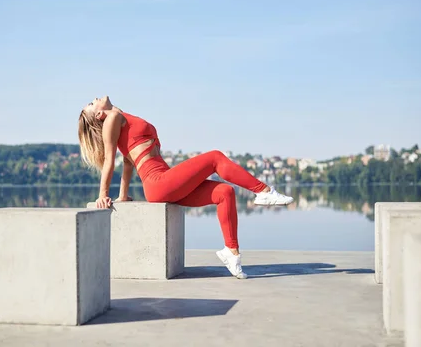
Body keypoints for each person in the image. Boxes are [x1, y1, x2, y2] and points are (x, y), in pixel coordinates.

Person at [78, 96, 294, 279]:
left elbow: (128, 162)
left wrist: (123, 196)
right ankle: (264, 192)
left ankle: (232, 252)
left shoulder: (123, 118)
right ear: (99, 115)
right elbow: (109, 160)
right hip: (159, 184)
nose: (96, 98)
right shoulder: (112, 119)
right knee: (215, 157)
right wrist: (103, 194)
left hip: (167, 183)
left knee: (224, 192)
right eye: (91, 102)